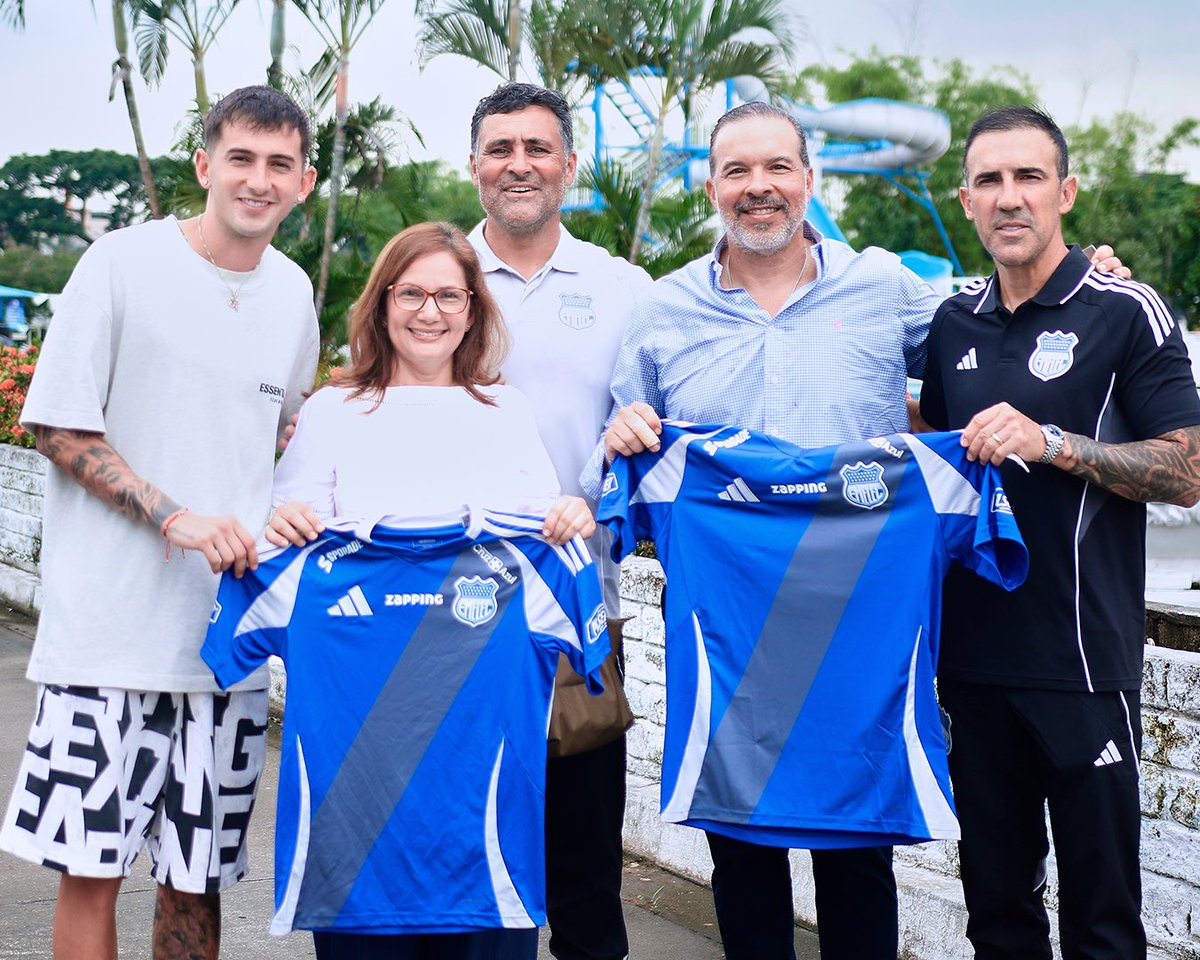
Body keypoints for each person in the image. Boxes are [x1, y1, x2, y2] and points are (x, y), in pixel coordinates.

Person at [583, 100, 1128, 960]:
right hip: (733, 637)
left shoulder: (885, 288)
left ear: (809, 179)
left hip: (860, 631)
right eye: (737, 171)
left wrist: (1083, 278)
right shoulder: (664, 310)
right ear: (711, 186)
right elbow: (614, 463)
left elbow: (999, 319)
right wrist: (620, 438)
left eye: (777, 167)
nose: (759, 187)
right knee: (742, 854)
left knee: (858, 856)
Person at [0, 85, 319, 960]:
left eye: (280, 164)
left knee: (196, 878)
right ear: (205, 164)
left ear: (304, 182)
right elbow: (57, 426)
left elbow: (283, 440)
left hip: (224, 647)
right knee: (90, 870)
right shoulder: (121, 263)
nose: (258, 180)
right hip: (109, 638)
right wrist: (174, 516)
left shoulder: (293, 294)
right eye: (241, 158)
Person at [261, 221, 598, 959]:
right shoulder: (333, 410)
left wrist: (569, 517)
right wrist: (280, 523)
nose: (430, 311)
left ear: (473, 308)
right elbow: (288, 536)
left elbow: (542, 527)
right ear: (381, 303)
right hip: (361, 756)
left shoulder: (503, 409)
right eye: (410, 293)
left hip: (478, 755)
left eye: (449, 295)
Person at [918, 105, 1200, 960]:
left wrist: (1054, 444)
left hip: (1083, 665)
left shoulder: (1125, 309)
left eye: (1029, 177)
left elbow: (1187, 471)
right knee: (998, 914)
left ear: (1065, 192)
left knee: (1103, 922)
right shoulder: (951, 323)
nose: (1010, 197)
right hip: (973, 667)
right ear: (966, 201)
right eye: (990, 180)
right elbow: (938, 463)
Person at [466, 81, 652, 960]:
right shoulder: (436, 278)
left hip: (581, 605)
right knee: (471, 861)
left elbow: (651, 433)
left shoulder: (623, 288)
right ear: (473, 166)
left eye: (537, 148)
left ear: (569, 164)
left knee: (584, 876)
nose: (520, 165)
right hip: (450, 614)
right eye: (500, 148)